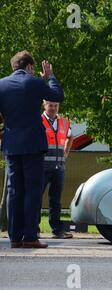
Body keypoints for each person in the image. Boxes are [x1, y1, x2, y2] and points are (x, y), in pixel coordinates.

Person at [0, 51, 64, 248]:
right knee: (32, 191)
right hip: (33, 145)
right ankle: (29, 236)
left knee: (14, 190)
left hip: (11, 144)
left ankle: (15, 238)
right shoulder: (34, 82)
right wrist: (50, 77)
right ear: (29, 67)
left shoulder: (2, 84)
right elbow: (57, 95)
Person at [40, 100, 74, 239]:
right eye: (50, 105)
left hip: (59, 167)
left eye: (55, 106)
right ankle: (33, 229)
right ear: (44, 105)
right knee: (36, 199)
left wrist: (66, 152)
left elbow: (70, 136)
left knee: (56, 200)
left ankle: (57, 230)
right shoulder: (38, 120)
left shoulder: (64, 122)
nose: (53, 108)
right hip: (41, 167)